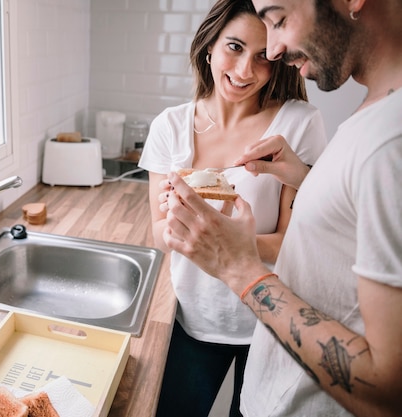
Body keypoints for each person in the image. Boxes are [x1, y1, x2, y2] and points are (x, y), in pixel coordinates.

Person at [161, 0, 402, 416]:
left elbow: (387, 389)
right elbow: (345, 235)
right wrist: (306, 181)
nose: (273, 52)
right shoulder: (371, 117)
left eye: (279, 19)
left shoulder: (389, 141)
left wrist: (238, 266)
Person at [137, 0, 327, 415]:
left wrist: (227, 245)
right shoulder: (169, 126)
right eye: (235, 47)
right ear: (209, 45)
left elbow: (293, 242)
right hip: (192, 319)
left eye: (262, 57)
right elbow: (158, 234)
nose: (244, 72)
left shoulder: (299, 124)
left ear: (278, 61)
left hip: (268, 323)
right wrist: (175, 227)